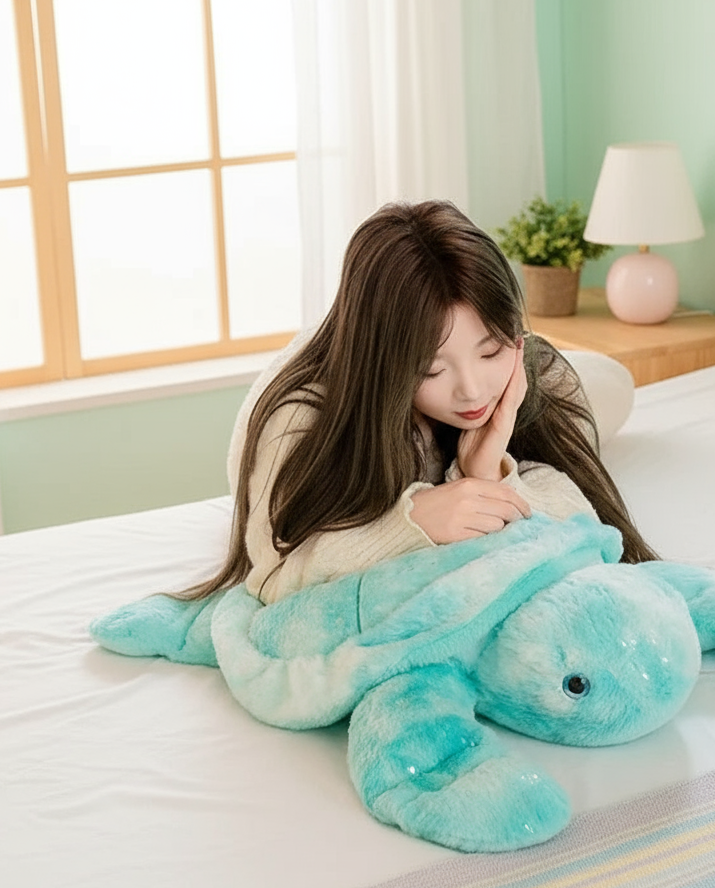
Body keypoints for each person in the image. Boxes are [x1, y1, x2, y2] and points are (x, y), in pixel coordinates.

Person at [187, 200, 657, 606]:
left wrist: (486, 472)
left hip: (550, 374)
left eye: (491, 350)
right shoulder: (301, 417)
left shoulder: (528, 375)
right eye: (431, 369)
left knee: (607, 385)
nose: (471, 391)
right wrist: (412, 522)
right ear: (387, 364)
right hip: (338, 392)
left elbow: (587, 526)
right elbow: (273, 574)